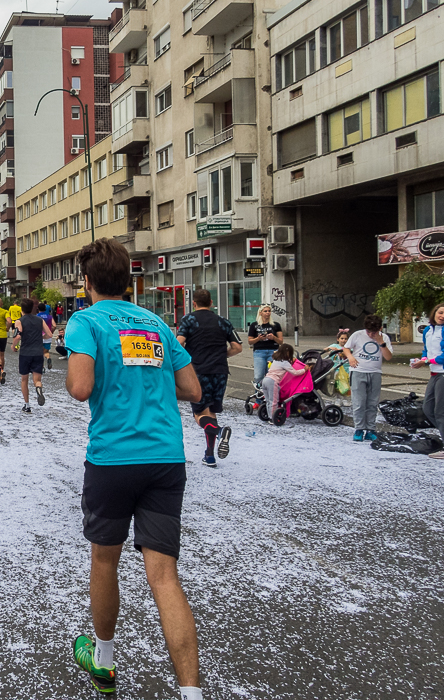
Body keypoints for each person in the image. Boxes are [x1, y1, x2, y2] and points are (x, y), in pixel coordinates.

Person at [64, 239, 203, 700]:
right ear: (129, 280)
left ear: (86, 283)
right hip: (166, 458)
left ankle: (103, 663)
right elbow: (192, 389)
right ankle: (191, 693)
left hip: (114, 460)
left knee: (106, 560)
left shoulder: (85, 321)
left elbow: (80, 387)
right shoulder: (155, 323)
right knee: (164, 576)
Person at [176, 289, 242, 468]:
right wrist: (221, 355)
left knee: (199, 414)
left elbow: (179, 342)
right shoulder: (223, 322)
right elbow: (237, 347)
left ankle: (220, 432)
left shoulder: (188, 320)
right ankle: (209, 455)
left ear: (194, 303)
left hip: (198, 371)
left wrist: (183, 360)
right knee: (211, 412)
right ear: (211, 303)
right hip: (220, 372)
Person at [412, 303, 444, 459]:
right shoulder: (428, 330)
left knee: (441, 412)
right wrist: (421, 359)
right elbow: (426, 351)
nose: (443, 316)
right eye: (440, 313)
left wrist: (426, 361)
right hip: (436, 374)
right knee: (428, 409)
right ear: (434, 313)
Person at [343, 314, 393, 442]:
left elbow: (388, 357)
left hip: (375, 372)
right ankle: (359, 429)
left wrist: (381, 343)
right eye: (369, 332)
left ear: (380, 329)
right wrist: (350, 357)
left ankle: (371, 429)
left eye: (374, 332)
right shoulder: (358, 335)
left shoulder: (384, 338)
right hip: (359, 371)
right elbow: (346, 348)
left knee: (372, 403)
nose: (371, 335)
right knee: (359, 402)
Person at [12, 298, 54, 413]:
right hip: (38, 353)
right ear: (32, 308)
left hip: (25, 353)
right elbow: (49, 334)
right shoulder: (40, 320)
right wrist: (41, 337)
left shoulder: (19, 321)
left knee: (24, 379)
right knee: (37, 379)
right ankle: (38, 388)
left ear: (22, 309)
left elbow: (18, 336)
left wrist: (13, 346)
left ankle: (27, 405)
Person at [261, 344, 308, 424]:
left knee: (268, 400)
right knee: (274, 401)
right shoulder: (285, 363)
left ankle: (269, 415)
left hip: (265, 380)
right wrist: (304, 370)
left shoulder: (276, 360)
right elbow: (294, 372)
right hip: (273, 381)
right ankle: (272, 418)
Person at [247, 305, 283, 386]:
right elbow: (250, 341)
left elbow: (281, 341)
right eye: (265, 311)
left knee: (272, 376)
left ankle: (270, 396)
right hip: (259, 352)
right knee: (258, 376)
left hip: (273, 352)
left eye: (269, 311)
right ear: (260, 313)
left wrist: (273, 337)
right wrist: (258, 339)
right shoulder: (254, 325)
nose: (268, 313)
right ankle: (259, 397)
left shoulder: (276, 325)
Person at [37, 302, 57, 370]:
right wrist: (50, 332)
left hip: (39, 337)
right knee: (46, 352)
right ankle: (48, 358)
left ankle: (42, 367)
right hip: (47, 337)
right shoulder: (49, 317)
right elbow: (54, 325)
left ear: (38, 308)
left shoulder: (37, 316)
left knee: (39, 353)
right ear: (45, 309)